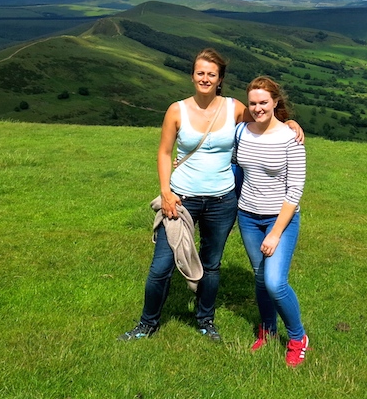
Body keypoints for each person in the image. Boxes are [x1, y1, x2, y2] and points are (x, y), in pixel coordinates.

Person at [120, 49, 302, 342]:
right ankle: (147, 323)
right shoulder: (176, 110)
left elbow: (263, 117)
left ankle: (205, 320)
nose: (205, 78)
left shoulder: (233, 108)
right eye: (200, 73)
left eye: (211, 74)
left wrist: (291, 124)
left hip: (222, 200)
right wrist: (166, 193)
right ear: (192, 76)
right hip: (181, 199)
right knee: (161, 266)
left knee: (212, 263)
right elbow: (165, 152)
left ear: (220, 80)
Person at [234, 76, 309, 367]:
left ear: (276, 102)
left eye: (263, 102)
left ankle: (298, 337)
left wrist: (276, 233)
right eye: (253, 103)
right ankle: (267, 329)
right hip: (248, 216)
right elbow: (221, 157)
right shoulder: (241, 131)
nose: (257, 108)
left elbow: (295, 189)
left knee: (275, 282)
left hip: (281, 220)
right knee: (259, 278)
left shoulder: (290, 137)